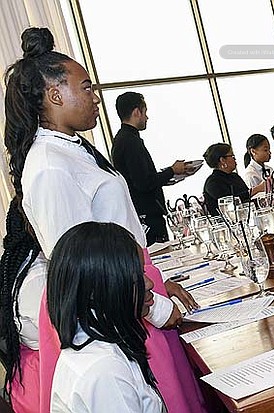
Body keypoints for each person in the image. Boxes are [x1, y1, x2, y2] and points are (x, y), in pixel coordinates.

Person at [3, 27, 205, 412]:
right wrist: (156, 308)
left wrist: (156, 284)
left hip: (132, 289)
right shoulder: (49, 165)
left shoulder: (71, 148)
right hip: (118, 304)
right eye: (86, 87)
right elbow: (84, 266)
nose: (95, 97)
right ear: (55, 94)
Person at [48, 222, 164, 412]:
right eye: (136, 277)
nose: (150, 284)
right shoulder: (105, 371)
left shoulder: (97, 344)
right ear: (99, 291)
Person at [111, 91, 197, 245]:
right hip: (148, 215)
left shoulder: (123, 139)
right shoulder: (130, 142)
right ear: (137, 112)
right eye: (145, 112)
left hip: (143, 213)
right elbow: (144, 182)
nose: (147, 118)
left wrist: (170, 174)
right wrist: (172, 170)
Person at [0, 199, 46, 412]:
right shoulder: (38, 277)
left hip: (28, 378)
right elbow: (65, 335)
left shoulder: (20, 265)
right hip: (43, 381)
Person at [203, 143, 264, 216]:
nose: (235, 159)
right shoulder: (213, 182)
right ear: (222, 160)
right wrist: (258, 189)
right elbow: (230, 202)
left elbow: (247, 198)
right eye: (232, 156)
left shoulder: (235, 176)